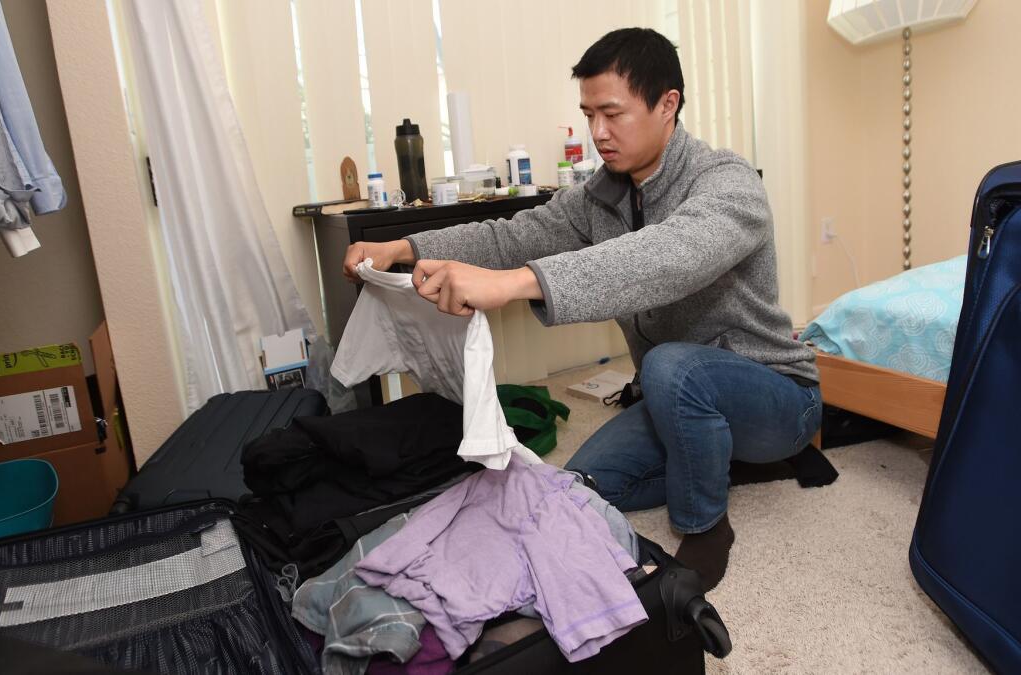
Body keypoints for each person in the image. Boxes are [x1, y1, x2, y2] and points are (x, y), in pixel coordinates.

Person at [341, 28, 819, 591]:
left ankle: (707, 522)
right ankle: (715, 457)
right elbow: (509, 237)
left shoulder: (727, 183)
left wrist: (516, 285)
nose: (598, 133)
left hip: (776, 398)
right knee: (581, 486)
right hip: (679, 399)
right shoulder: (600, 196)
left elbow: (663, 258)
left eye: (612, 114)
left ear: (669, 104)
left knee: (669, 364)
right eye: (589, 114)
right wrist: (404, 248)